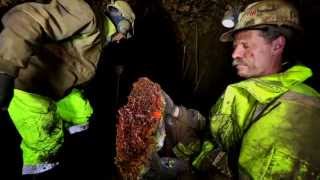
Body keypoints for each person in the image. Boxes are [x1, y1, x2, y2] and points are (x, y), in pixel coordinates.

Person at [155, 0, 320, 179]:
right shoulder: (259, 93)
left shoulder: (293, 113)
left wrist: (185, 175)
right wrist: (176, 114)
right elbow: (217, 140)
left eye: (246, 45)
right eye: (235, 46)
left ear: (277, 45)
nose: (235, 54)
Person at [0, 0, 135, 177]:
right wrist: (5, 69)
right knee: (46, 142)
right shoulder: (86, 16)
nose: (120, 41)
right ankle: (39, 168)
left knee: (82, 113)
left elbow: (75, 66)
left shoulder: (97, 43)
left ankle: (75, 143)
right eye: (125, 35)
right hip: (29, 86)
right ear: (122, 24)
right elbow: (27, 20)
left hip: (55, 88)